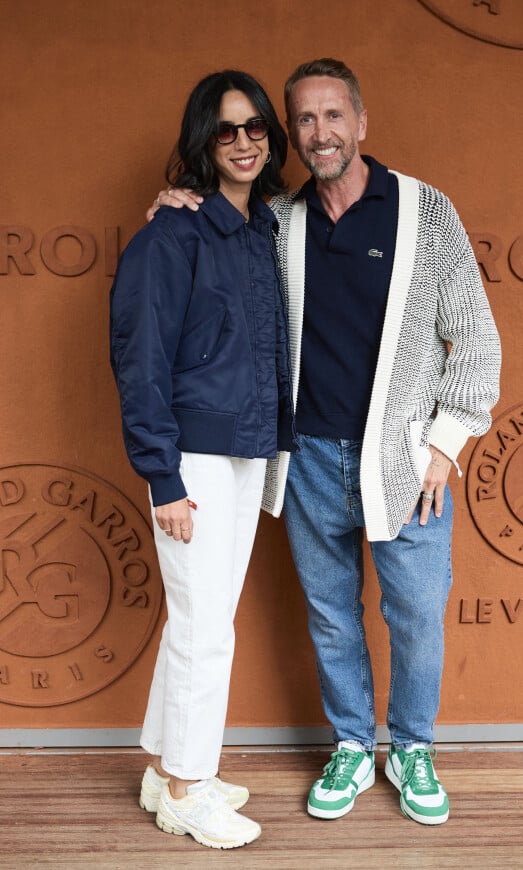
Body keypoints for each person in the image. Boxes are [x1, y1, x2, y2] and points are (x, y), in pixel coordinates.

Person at [148, 58, 501, 828]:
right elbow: (211, 247)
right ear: (292, 136)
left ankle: (411, 747)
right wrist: (172, 203)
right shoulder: (278, 219)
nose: (319, 133)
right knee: (332, 614)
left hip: (406, 462)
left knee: (415, 615)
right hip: (306, 457)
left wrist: (446, 444)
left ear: (360, 122)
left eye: (332, 116)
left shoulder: (424, 212)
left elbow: (474, 337)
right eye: (304, 120)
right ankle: (350, 743)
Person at [110, 69, 294, 849]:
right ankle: (187, 788)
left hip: (249, 451)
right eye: (227, 130)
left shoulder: (262, 231)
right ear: (201, 141)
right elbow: (140, 357)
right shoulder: (169, 236)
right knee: (203, 630)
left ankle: (166, 766)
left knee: (205, 621)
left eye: (256, 128)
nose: (244, 142)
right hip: (192, 460)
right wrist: (165, 479)